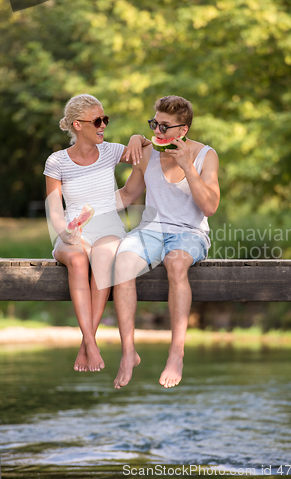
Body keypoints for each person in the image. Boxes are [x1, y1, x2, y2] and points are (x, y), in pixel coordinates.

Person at [113, 95, 220, 389]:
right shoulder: (147, 152)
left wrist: (188, 166)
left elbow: (210, 207)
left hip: (190, 232)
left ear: (182, 131)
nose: (157, 132)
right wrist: (83, 208)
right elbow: (126, 195)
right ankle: (127, 351)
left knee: (175, 262)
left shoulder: (205, 155)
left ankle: (176, 353)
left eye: (165, 127)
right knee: (121, 262)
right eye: (154, 124)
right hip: (151, 231)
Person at [43, 94, 150, 373]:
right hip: (71, 229)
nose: (103, 125)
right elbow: (54, 208)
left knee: (104, 259)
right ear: (77, 125)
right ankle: (91, 343)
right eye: (98, 120)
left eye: (106, 119)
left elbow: (144, 150)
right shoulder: (56, 161)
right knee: (78, 260)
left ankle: (86, 345)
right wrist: (64, 234)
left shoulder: (112, 151)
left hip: (109, 227)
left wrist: (138, 136)